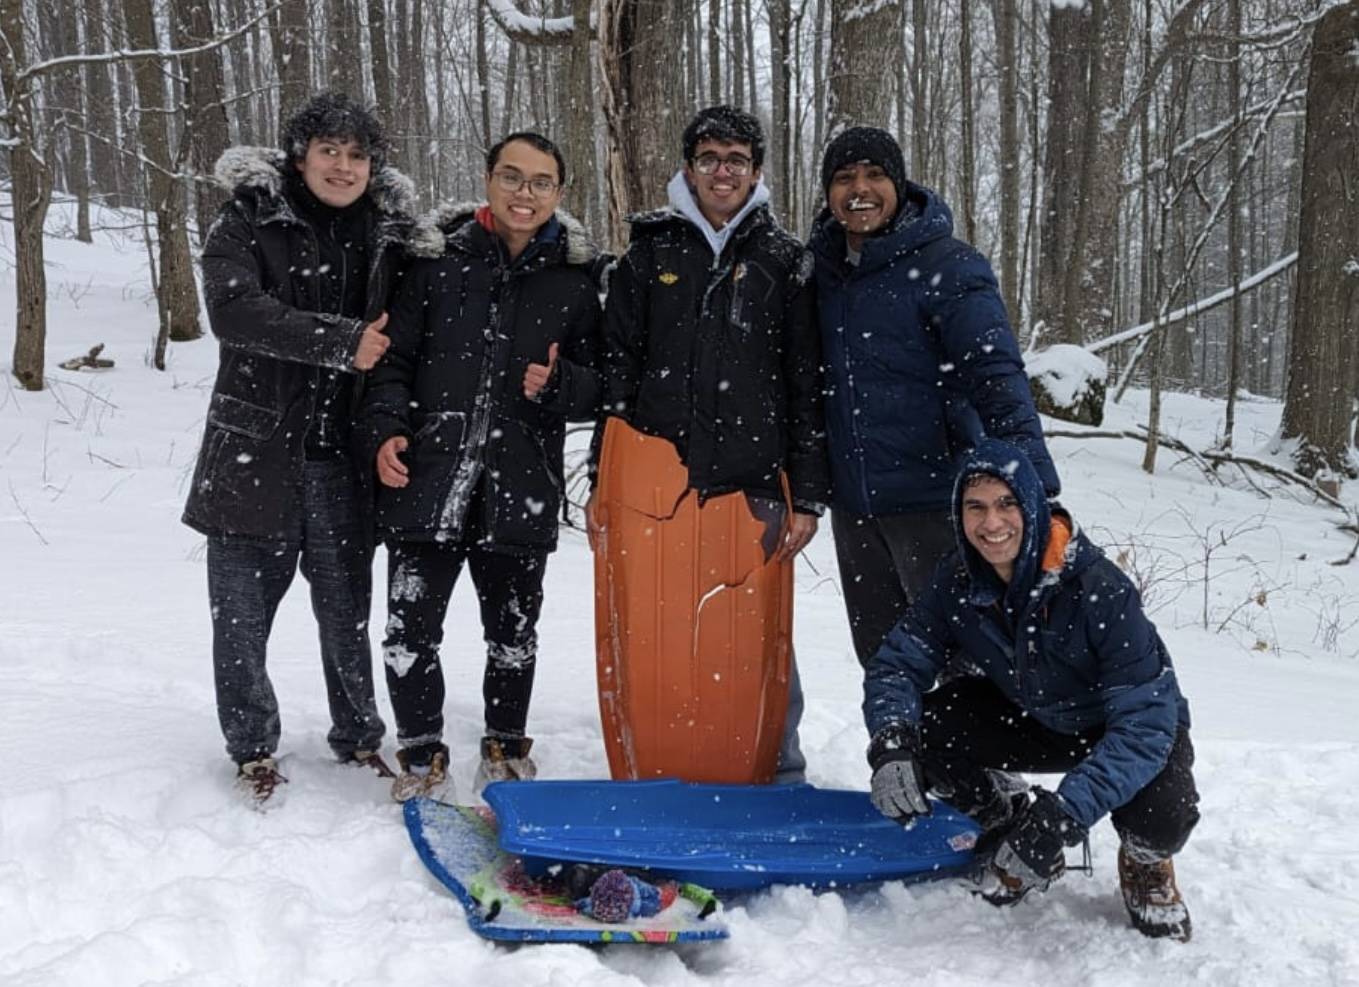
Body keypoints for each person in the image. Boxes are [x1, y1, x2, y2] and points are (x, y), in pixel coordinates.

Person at [863, 438, 1199, 941]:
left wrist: (1063, 817)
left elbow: (1146, 722)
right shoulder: (955, 580)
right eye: (975, 507)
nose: (991, 523)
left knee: (1163, 817)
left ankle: (1145, 863)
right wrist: (890, 741)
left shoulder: (1099, 588)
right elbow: (897, 665)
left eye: (1006, 504)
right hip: (1037, 718)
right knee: (923, 731)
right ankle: (1006, 813)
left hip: (1126, 731)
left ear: (1033, 506)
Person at [183, 92, 415, 806]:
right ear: (300, 156)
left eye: (356, 155)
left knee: (346, 608)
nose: (342, 167)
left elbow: (402, 335)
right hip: (255, 447)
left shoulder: (387, 234)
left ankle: (358, 734)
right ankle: (252, 747)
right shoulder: (250, 217)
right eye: (328, 152)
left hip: (342, 455)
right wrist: (340, 341)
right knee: (242, 613)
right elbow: (233, 310)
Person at [586, 105, 829, 781]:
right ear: (688, 167)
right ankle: (660, 764)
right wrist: (601, 480)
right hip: (656, 482)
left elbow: (805, 383)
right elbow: (618, 373)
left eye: (736, 159)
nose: (722, 171)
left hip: (753, 481)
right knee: (655, 628)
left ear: (756, 171)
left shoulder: (784, 261)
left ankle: (775, 768)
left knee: (756, 630)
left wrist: (807, 492)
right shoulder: (649, 254)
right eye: (709, 157)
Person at [357, 132, 602, 801]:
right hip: (429, 478)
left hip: (520, 482)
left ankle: (504, 744)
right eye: (512, 177)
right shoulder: (434, 262)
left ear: (559, 192)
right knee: (408, 632)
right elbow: (391, 362)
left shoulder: (576, 281)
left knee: (514, 633)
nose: (525, 194)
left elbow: (603, 382)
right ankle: (419, 751)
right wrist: (386, 431)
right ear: (488, 179)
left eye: (541, 182)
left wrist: (560, 386)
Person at [808, 127, 1061, 668]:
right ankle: (899, 755)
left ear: (899, 184)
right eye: (844, 177)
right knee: (886, 665)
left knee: (965, 666)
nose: (861, 188)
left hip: (937, 505)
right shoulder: (820, 274)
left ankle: (976, 757)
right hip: (856, 514)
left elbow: (998, 378)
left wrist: (1037, 493)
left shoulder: (947, 265)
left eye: (875, 175)